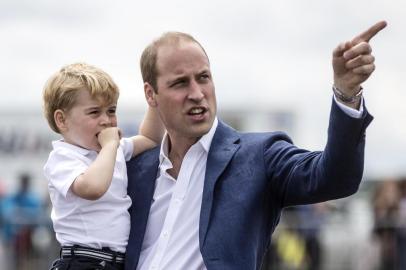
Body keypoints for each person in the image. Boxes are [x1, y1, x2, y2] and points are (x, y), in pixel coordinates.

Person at [126, 21, 387, 270]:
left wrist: (346, 94)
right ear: (151, 94)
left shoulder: (259, 156)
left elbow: (336, 178)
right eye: (180, 83)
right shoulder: (135, 169)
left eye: (203, 77)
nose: (197, 93)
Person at [42, 63, 164, 270]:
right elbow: (92, 188)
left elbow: (151, 138)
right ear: (62, 120)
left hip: (116, 262)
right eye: (94, 112)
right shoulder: (62, 157)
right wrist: (110, 146)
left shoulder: (112, 150)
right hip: (82, 261)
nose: (106, 121)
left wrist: (154, 99)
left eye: (111, 111)